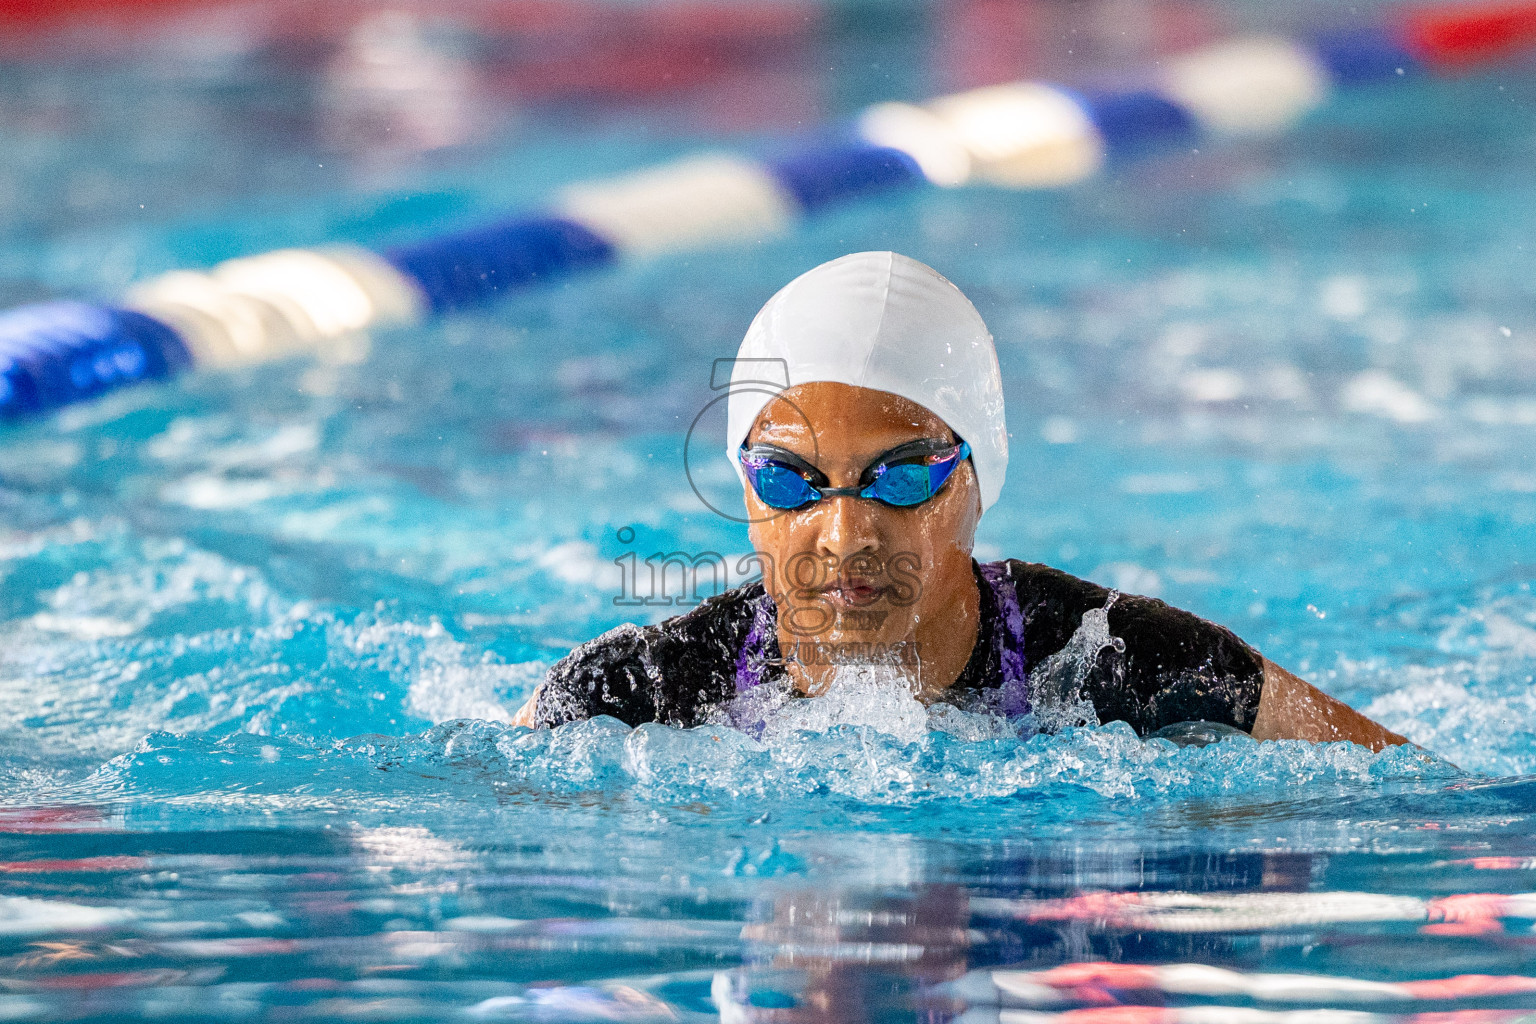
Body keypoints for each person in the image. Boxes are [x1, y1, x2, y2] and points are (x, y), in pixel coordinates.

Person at [511, 251, 1407, 751]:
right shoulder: (636, 693)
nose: (844, 535)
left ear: (979, 481)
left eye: (901, 479)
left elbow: (1423, 802)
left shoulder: (1117, 657)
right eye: (789, 481)